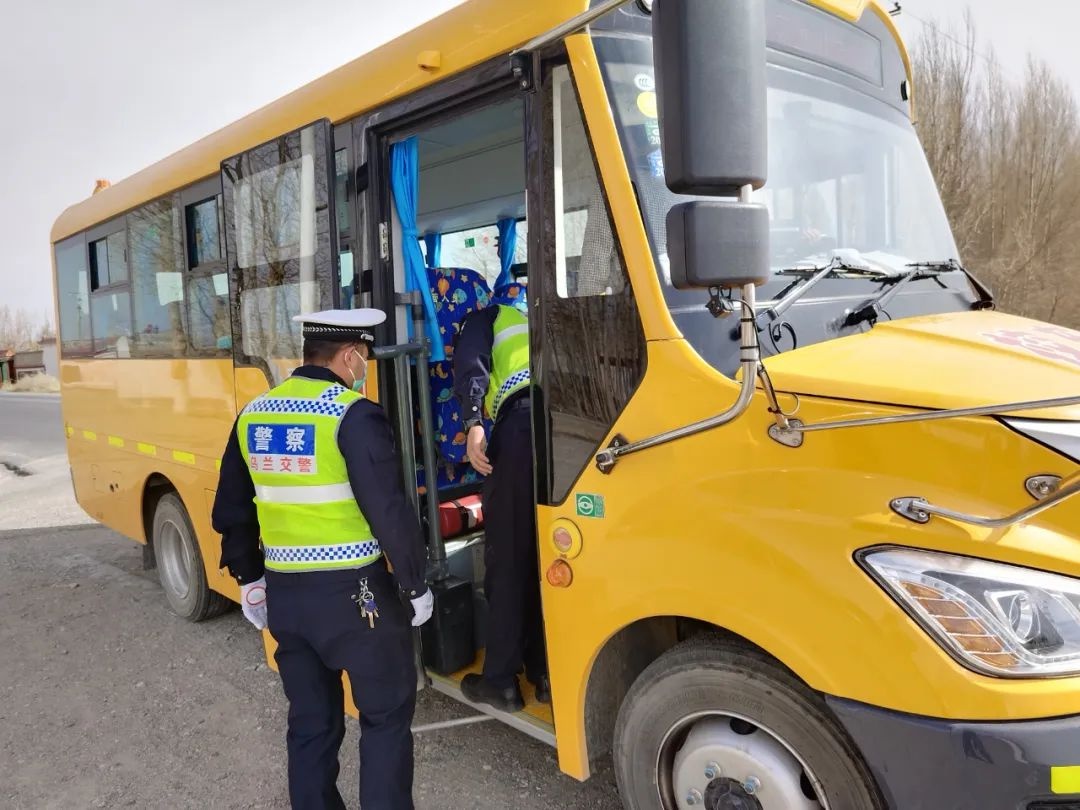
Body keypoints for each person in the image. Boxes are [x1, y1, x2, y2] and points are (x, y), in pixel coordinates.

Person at [212, 308, 434, 810]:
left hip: (287, 600)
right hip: (357, 601)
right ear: (350, 355)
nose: (365, 367)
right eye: (365, 356)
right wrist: (415, 584)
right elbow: (388, 510)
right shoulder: (352, 414)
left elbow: (232, 506)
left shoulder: (254, 413)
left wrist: (249, 578)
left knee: (311, 724)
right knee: (384, 719)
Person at [453, 301, 549, 712]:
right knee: (547, 556)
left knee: (508, 556)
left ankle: (500, 681)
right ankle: (546, 673)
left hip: (522, 426)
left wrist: (473, 423)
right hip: (564, 425)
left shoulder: (487, 316)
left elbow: (470, 363)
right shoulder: (541, 308)